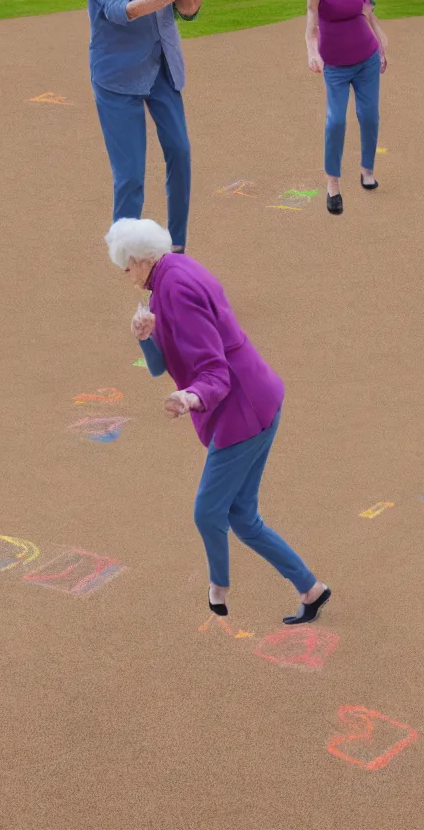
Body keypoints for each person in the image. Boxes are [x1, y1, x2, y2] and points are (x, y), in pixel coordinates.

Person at [105, 217, 331, 623]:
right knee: (242, 517)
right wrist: (146, 336)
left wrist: (191, 397)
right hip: (260, 397)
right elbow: (161, 367)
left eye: (126, 267)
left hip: (240, 411)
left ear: (140, 260)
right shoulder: (172, 272)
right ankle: (311, 588)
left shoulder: (173, 290)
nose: (126, 275)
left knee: (208, 512)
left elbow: (215, 372)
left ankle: (219, 589)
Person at [84, 0, 208, 253]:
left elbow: (187, 10)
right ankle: (127, 256)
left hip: (161, 64)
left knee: (181, 153)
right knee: (131, 175)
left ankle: (178, 251)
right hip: (117, 69)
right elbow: (114, 8)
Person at [306, 0, 388, 215]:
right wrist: (312, 51)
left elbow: (367, 10)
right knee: (336, 121)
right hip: (336, 65)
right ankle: (333, 185)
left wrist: (381, 40)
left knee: (369, 116)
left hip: (366, 58)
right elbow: (311, 19)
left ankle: (367, 170)